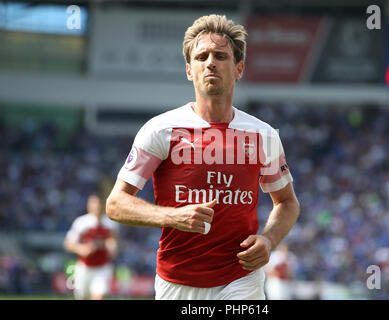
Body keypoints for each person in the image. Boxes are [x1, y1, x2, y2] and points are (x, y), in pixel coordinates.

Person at [106, 14, 300, 300]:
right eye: (202, 56)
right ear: (189, 70)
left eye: (221, 56)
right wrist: (173, 216)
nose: (210, 62)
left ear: (239, 68)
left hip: (241, 278)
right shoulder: (161, 130)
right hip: (176, 281)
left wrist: (269, 240)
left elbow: (287, 202)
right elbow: (116, 204)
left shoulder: (264, 135)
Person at [64, 194, 119, 300]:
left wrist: (112, 247)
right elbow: (68, 243)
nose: (96, 206)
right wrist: (81, 249)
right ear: (88, 206)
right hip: (84, 267)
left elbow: (113, 242)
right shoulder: (81, 223)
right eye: (93, 203)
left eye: (98, 203)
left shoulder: (110, 224)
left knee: (98, 295)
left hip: (102, 267)